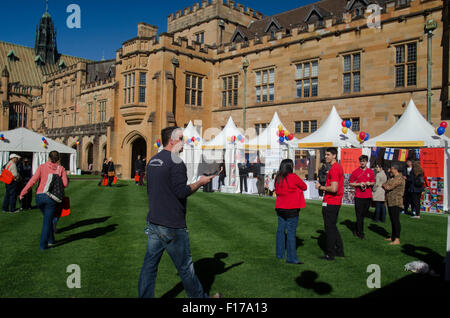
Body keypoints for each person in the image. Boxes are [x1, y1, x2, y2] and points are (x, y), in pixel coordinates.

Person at [138, 126, 220, 298]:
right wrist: (200, 182)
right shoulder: (176, 162)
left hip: (154, 222)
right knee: (185, 268)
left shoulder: (153, 161)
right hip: (172, 225)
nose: (185, 142)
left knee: (149, 266)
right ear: (172, 140)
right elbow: (181, 192)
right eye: (181, 138)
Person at [19, 151, 69, 250]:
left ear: (49, 158)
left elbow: (33, 181)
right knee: (47, 222)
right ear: (58, 159)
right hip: (51, 198)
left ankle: (51, 239)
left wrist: (23, 193)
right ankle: (43, 246)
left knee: (48, 219)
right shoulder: (61, 169)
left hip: (39, 196)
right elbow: (65, 184)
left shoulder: (42, 167)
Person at [274, 159, 308, 265]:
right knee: (291, 232)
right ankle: (291, 257)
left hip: (280, 207)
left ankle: (279, 254)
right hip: (291, 208)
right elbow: (304, 186)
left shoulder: (278, 177)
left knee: (280, 230)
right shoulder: (293, 177)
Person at [315, 148, 345, 261]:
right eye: (326, 154)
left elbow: (334, 188)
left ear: (334, 156)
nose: (326, 156)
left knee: (330, 229)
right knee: (332, 227)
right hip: (333, 202)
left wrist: (320, 187)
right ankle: (339, 251)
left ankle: (330, 254)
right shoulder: (335, 168)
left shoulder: (335, 169)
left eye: (328, 154)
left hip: (331, 202)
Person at [349, 155, 375, 240]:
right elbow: (351, 183)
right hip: (359, 196)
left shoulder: (370, 171)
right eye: (361, 161)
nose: (362, 163)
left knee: (363, 215)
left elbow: (373, 182)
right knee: (359, 215)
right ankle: (361, 232)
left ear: (367, 162)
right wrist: (359, 184)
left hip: (367, 196)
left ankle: (357, 229)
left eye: (364, 161)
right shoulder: (355, 171)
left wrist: (369, 183)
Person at [382, 163, 405, 245]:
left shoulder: (399, 178)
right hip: (390, 201)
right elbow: (384, 184)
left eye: (391, 169)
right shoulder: (393, 177)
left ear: (395, 169)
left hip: (396, 202)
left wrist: (386, 186)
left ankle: (397, 238)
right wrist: (385, 185)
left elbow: (389, 187)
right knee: (392, 220)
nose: (390, 170)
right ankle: (393, 236)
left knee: (395, 220)